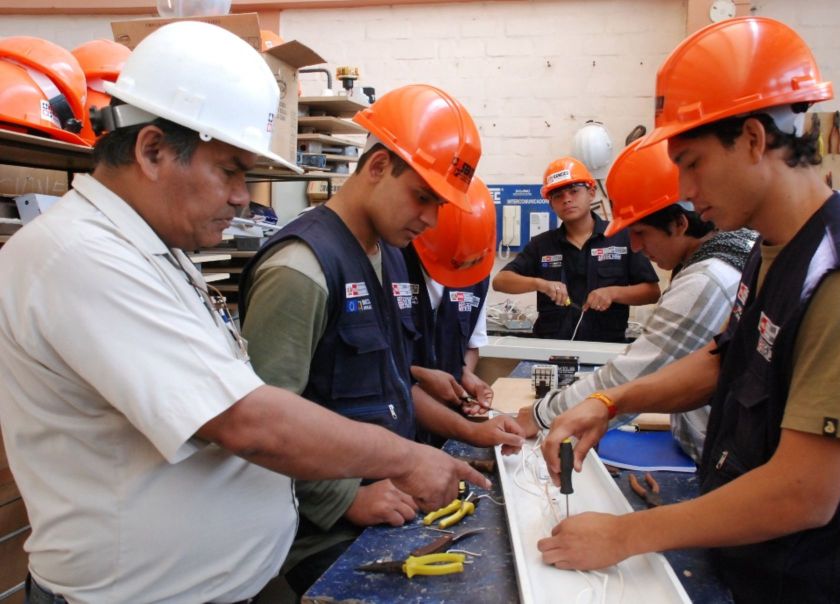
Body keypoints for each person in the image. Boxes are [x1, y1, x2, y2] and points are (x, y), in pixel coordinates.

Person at [0, 23, 488, 604]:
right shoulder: (78, 255)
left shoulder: (156, 252)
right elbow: (249, 421)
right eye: (231, 170)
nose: (243, 196)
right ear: (152, 149)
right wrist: (407, 457)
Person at [538, 17, 840, 603]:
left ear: (754, 138)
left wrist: (627, 534)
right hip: (751, 569)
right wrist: (611, 401)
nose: (684, 187)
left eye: (692, 162)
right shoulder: (771, 250)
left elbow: (805, 492)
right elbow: (722, 361)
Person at [238, 84, 523, 595]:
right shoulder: (301, 270)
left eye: (440, 204)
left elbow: (389, 380)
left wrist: (471, 429)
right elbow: (257, 427)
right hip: (319, 534)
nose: (431, 219)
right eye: (422, 197)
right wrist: (341, 497)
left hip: (388, 497)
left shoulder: (388, 255)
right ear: (375, 168)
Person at [518, 137, 756, 462]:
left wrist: (539, 416)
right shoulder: (730, 253)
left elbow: (629, 380)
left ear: (680, 223)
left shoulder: (705, 281)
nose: (635, 247)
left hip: (716, 459)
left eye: (641, 233)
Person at [492, 156, 660, 342]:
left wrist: (613, 293)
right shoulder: (541, 245)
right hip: (550, 351)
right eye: (558, 196)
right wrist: (540, 284)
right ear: (551, 204)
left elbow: (652, 292)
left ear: (592, 193)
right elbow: (500, 281)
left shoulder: (621, 237)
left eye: (574, 191)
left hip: (604, 349)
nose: (567, 200)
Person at [405, 176, 497, 417]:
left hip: (449, 414)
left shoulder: (477, 275)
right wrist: (417, 375)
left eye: (467, 261)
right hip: (399, 414)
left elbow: (471, 345)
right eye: (452, 260)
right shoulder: (393, 267)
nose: (458, 273)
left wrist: (466, 376)